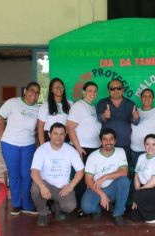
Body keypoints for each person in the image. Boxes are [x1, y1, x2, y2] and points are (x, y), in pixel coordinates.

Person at [0, 81, 40, 215]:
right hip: (10, 145)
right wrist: (3, 135)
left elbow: (39, 126)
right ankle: (16, 204)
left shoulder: (38, 108)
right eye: (32, 90)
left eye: (37, 92)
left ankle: (27, 204)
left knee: (27, 175)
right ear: (25, 91)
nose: (34, 94)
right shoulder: (12, 102)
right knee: (14, 175)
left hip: (28, 145)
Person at [31, 123, 84, 226]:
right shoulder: (41, 150)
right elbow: (34, 172)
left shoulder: (70, 150)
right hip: (46, 184)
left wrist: (70, 186)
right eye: (55, 133)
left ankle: (57, 208)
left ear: (65, 135)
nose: (58, 137)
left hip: (62, 187)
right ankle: (43, 214)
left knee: (70, 206)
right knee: (35, 189)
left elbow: (80, 171)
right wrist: (42, 186)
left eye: (61, 134)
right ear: (50, 135)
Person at [81, 128, 130, 226]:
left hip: (113, 188)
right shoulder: (93, 156)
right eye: (105, 139)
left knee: (125, 181)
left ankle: (118, 214)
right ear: (101, 141)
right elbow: (88, 180)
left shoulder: (120, 152)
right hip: (97, 189)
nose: (108, 142)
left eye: (111, 139)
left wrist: (105, 177)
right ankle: (98, 208)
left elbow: (124, 172)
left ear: (115, 140)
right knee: (86, 208)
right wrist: (102, 194)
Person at [66, 81, 101, 216]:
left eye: (94, 91)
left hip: (94, 148)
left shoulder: (92, 107)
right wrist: (78, 147)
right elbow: (69, 127)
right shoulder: (79, 106)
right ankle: (80, 207)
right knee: (80, 180)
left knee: (91, 179)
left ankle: (89, 205)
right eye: (89, 91)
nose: (92, 93)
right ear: (84, 92)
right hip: (83, 149)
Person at [129, 134, 155, 223]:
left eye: (153, 144)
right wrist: (138, 196)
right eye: (147, 144)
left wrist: (137, 195)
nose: (150, 147)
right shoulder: (141, 157)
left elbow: (154, 182)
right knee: (134, 216)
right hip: (146, 189)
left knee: (137, 197)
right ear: (144, 145)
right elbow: (136, 177)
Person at [96, 79, 140, 164]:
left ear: (123, 90)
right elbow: (99, 119)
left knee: (123, 169)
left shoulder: (130, 104)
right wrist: (104, 116)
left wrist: (136, 118)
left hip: (124, 144)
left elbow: (136, 122)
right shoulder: (102, 103)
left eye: (119, 88)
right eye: (112, 88)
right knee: (106, 168)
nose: (116, 90)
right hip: (107, 144)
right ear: (109, 90)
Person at [130, 88, 155, 167]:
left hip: (151, 150)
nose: (147, 98)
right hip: (135, 150)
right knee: (139, 174)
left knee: (151, 175)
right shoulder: (135, 111)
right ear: (141, 98)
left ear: (153, 99)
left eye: (149, 96)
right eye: (144, 96)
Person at [37, 78, 72, 144]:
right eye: (56, 87)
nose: (59, 89)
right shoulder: (45, 105)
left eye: (61, 86)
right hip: (49, 138)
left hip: (65, 138)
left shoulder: (70, 104)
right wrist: (42, 145)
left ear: (64, 88)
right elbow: (40, 127)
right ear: (51, 90)